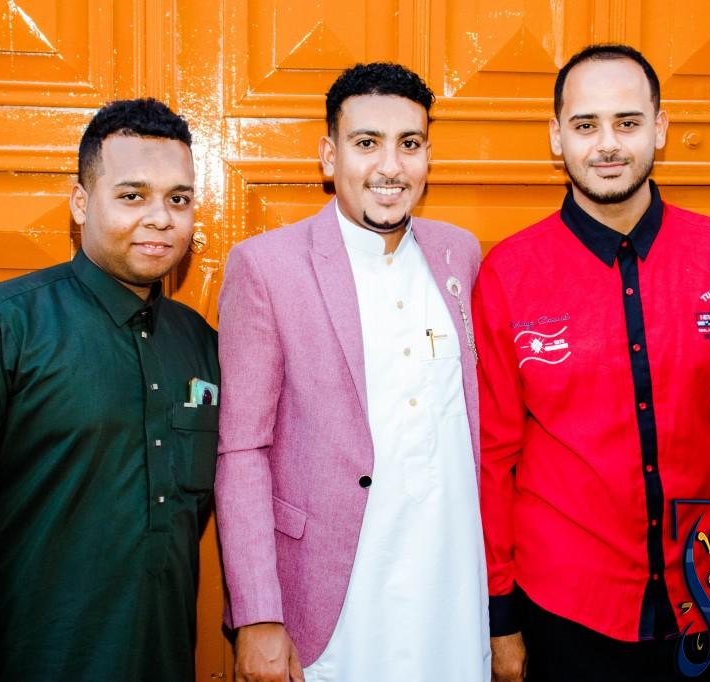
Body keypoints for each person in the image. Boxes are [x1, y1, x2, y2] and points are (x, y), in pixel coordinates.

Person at [473, 44, 710, 681]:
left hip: (709, 606)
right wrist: (499, 616)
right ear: (556, 137)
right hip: (562, 612)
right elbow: (492, 461)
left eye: (627, 122)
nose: (607, 144)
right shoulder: (508, 275)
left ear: (660, 127)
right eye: (585, 125)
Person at [0, 98, 219, 682]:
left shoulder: (200, 342)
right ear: (80, 202)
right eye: (132, 195)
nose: (161, 218)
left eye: (178, 198)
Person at [215, 62, 489, 682]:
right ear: (328, 155)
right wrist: (258, 615)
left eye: (409, 144)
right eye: (367, 143)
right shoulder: (267, 267)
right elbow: (242, 450)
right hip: (335, 601)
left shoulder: (459, 253)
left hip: (452, 590)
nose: (390, 166)